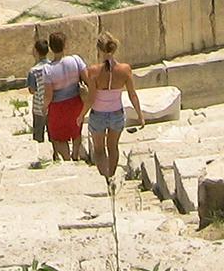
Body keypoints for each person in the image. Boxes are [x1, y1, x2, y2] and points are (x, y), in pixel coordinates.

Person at [84, 33, 146, 182]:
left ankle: (104, 178)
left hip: (98, 113)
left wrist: (80, 116)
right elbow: (132, 94)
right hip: (117, 113)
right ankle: (111, 176)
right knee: (113, 146)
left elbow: (91, 98)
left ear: (99, 50)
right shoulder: (125, 69)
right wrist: (140, 115)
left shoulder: (93, 71)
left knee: (99, 150)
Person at [42, 30, 87, 163]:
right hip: (76, 102)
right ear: (65, 44)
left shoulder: (48, 69)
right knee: (76, 129)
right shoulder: (76, 60)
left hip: (58, 106)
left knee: (60, 136)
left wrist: (44, 107)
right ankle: (76, 154)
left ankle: (67, 159)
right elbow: (87, 79)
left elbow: (49, 94)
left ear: (50, 48)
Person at [26, 35, 52, 153]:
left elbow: (32, 90)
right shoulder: (52, 66)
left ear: (36, 51)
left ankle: (39, 157)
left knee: (38, 136)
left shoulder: (33, 71)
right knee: (53, 135)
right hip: (52, 106)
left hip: (38, 107)